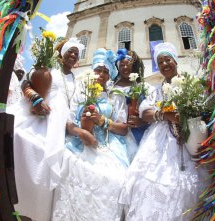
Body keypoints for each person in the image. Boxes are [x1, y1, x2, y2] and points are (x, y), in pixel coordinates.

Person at [119, 42, 208, 220]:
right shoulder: (156, 90)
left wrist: (185, 120)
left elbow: (201, 111)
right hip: (158, 141)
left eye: (167, 60)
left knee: (184, 186)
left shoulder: (190, 85)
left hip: (186, 139)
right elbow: (145, 113)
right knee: (146, 182)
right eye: (160, 62)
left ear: (175, 61)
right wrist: (165, 115)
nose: (164, 64)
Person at [52, 48, 132, 220]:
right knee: (71, 167)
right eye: (98, 70)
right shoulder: (80, 93)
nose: (101, 75)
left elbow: (124, 128)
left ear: (110, 76)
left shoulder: (114, 96)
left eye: (105, 72)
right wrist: (81, 132)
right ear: (92, 71)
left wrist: (103, 121)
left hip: (108, 146)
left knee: (115, 179)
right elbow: (69, 122)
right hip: (79, 143)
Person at [10, 38, 84, 221]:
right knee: (28, 145)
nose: (73, 55)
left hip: (60, 125)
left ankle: (36, 211)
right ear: (62, 53)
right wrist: (35, 99)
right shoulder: (50, 68)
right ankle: (14, 202)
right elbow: (26, 83)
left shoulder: (77, 80)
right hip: (39, 116)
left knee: (51, 163)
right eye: (70, 51)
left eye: (76, 53)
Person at [113, 49, 152, 146]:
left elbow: (152, 109)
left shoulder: (143, 86)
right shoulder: (111, 88)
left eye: (128, 64)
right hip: (115, 134)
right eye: (122, 65)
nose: (125, 67)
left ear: (133, 66)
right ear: (117, 68)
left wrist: (143, 121)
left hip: (137, 134)